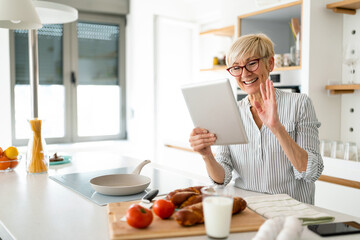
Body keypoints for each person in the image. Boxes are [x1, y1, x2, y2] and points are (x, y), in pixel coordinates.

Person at [189, 33, 323, 204]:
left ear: (270, 64)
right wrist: (207, 155)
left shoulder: (299, 104)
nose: (244, 74)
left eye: (252, 63)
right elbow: (222, 178)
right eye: (236, 67)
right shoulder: (230, 111)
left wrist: (277, 128)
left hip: (294, 216)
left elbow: (311, 172)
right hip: (248, 213)